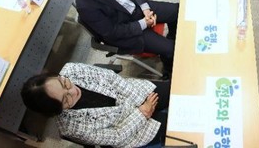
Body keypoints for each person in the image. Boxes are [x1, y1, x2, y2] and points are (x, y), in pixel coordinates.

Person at [21, 62, 169, 147]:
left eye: (64, 83)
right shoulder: (70, 128)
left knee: (176, 91)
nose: (73, 91)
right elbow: (117, 136)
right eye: (66, 100)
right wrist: (141, 114)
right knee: (177, 127)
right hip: (132, 129)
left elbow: (111, 78)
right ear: (57, 111)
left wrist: (143, 103)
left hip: (136, 93)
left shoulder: (71, 69)